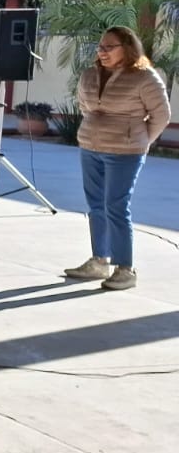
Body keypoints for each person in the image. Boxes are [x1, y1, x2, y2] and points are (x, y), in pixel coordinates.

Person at [63, 25, 171, 291]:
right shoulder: (89, 74)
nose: (102, 51)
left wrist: (141, 139)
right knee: (96, 206)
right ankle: (100, 261)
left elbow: (161, 115)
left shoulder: (145, 77)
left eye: (109, 47)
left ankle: (125, 268)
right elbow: (83, 105)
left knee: (116, 207)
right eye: (100, 47)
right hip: (90, 147)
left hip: (125, 152)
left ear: (128, 48)